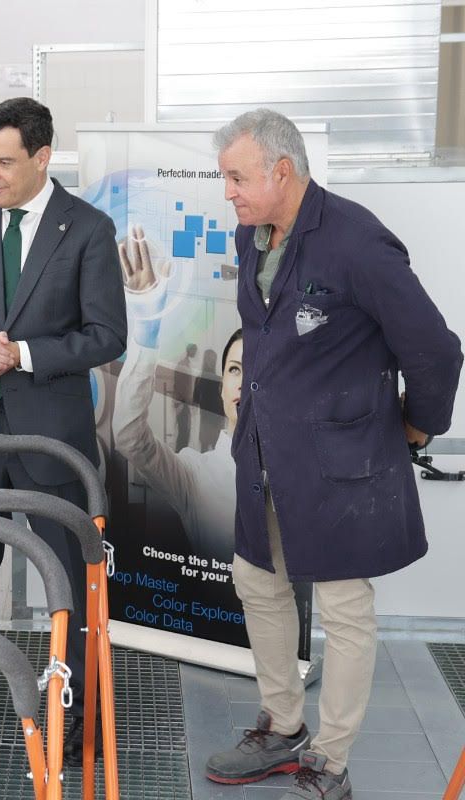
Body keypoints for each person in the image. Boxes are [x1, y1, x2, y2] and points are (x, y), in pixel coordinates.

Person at [204, 108, 462, 800]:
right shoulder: (253, 233)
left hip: (342, 458)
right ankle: (283, 726)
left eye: (237, 177)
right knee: (258, 581)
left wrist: (416, 427)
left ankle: (332, 758)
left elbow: (436, 350)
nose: (227, 191)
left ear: (281, 171)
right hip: (265, 452)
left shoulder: (355, 241)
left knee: (344, 606)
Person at [0, 97, 126, 759]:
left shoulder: (88, 229)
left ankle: (78, 710)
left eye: (4, 161)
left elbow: (105, 334)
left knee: (65, 579)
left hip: (51, 440)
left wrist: (25, 354)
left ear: (42, 158)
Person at [112, 224, 241, 561]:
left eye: (256, 371)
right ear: (224, 389)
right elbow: (129, 437)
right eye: (235, 370)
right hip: (211, 608)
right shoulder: (195, 477)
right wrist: (147, 321)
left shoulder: (296, 475)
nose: (244, 382)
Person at [173, 342, 198, 452]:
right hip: (182, 403)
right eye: (194, 351)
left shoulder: (186, 364)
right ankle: (180, 455)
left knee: (185, 432)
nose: (196, 353)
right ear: (190, 351)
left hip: (184, 403)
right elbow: (181, 385)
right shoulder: (183, 365)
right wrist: (184, 402)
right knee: (183, 432)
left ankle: (181, 454)